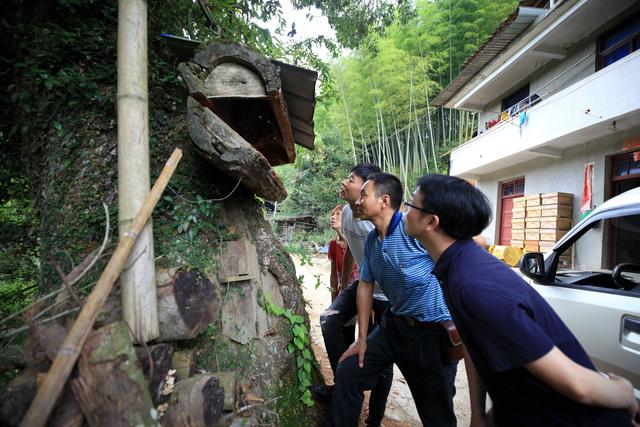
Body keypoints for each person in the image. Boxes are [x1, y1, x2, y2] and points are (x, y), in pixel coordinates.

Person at [404, 173, 639, 427]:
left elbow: (578, 385)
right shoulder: (457, 268)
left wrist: (626, 393)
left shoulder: (476, 285)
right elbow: (474, 343)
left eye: (411, 205)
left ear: (431, 221)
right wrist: (478, 414)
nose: (405, 212)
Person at [327, 172, 457, 427]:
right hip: (394, 326)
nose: (358, 201)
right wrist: (362, 339)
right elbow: (365, 285)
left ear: (384, 200)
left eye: (364, 195)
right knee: (349, 372)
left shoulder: (415, 231)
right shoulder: (373, 240)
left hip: (431, 335)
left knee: (438, 415)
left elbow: (457, 256)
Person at [315, 163, 393, 427]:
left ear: (368, 188)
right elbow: (350, 247)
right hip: (363, 284)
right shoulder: (349, 214)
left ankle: (374, 419)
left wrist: (371, 300)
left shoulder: (379, 221)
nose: (344, 183)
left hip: (387, 297)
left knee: (382, 359)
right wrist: (341, 277)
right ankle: (345, 385)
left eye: (351, 179)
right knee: (330, 320)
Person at [327, 204, 357, 302]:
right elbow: (334, 276)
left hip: (359, 293)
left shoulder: (357, 242)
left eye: (338, 214)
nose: (332, 217)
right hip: (343, 293)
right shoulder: (333, 244)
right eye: (332, 214)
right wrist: (333, 301)